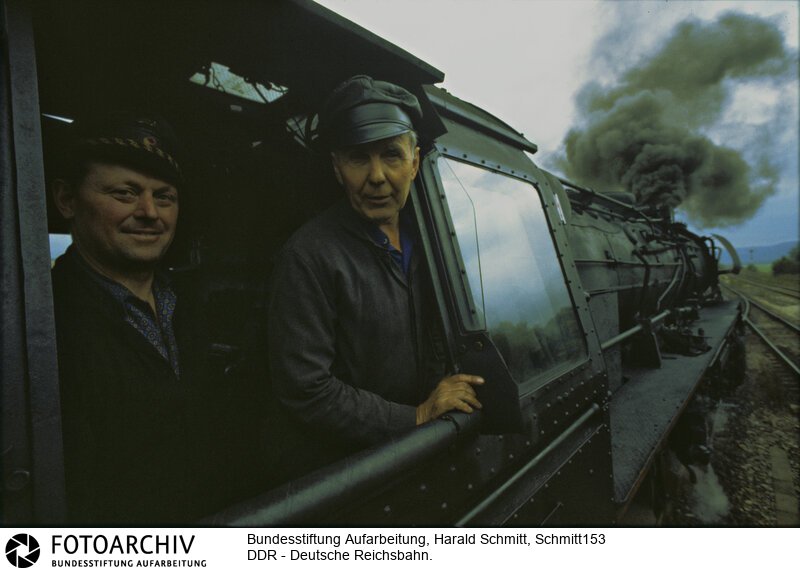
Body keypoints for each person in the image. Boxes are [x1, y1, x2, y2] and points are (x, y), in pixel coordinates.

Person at [267, 75, 484, 474]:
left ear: (415, 162)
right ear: (336, 167)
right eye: (358, 158)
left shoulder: (434, 240)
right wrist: (415, 418)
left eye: (391, 155)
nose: (378, 176)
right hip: (356, 468)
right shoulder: (308, 256)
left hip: (424, 454)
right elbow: (306, 389)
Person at [50, 113, 233, 523]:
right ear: (66, 200)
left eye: (164, 197)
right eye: (125, 193)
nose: (150, 212)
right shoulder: (45, 321)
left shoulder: (188, 302)